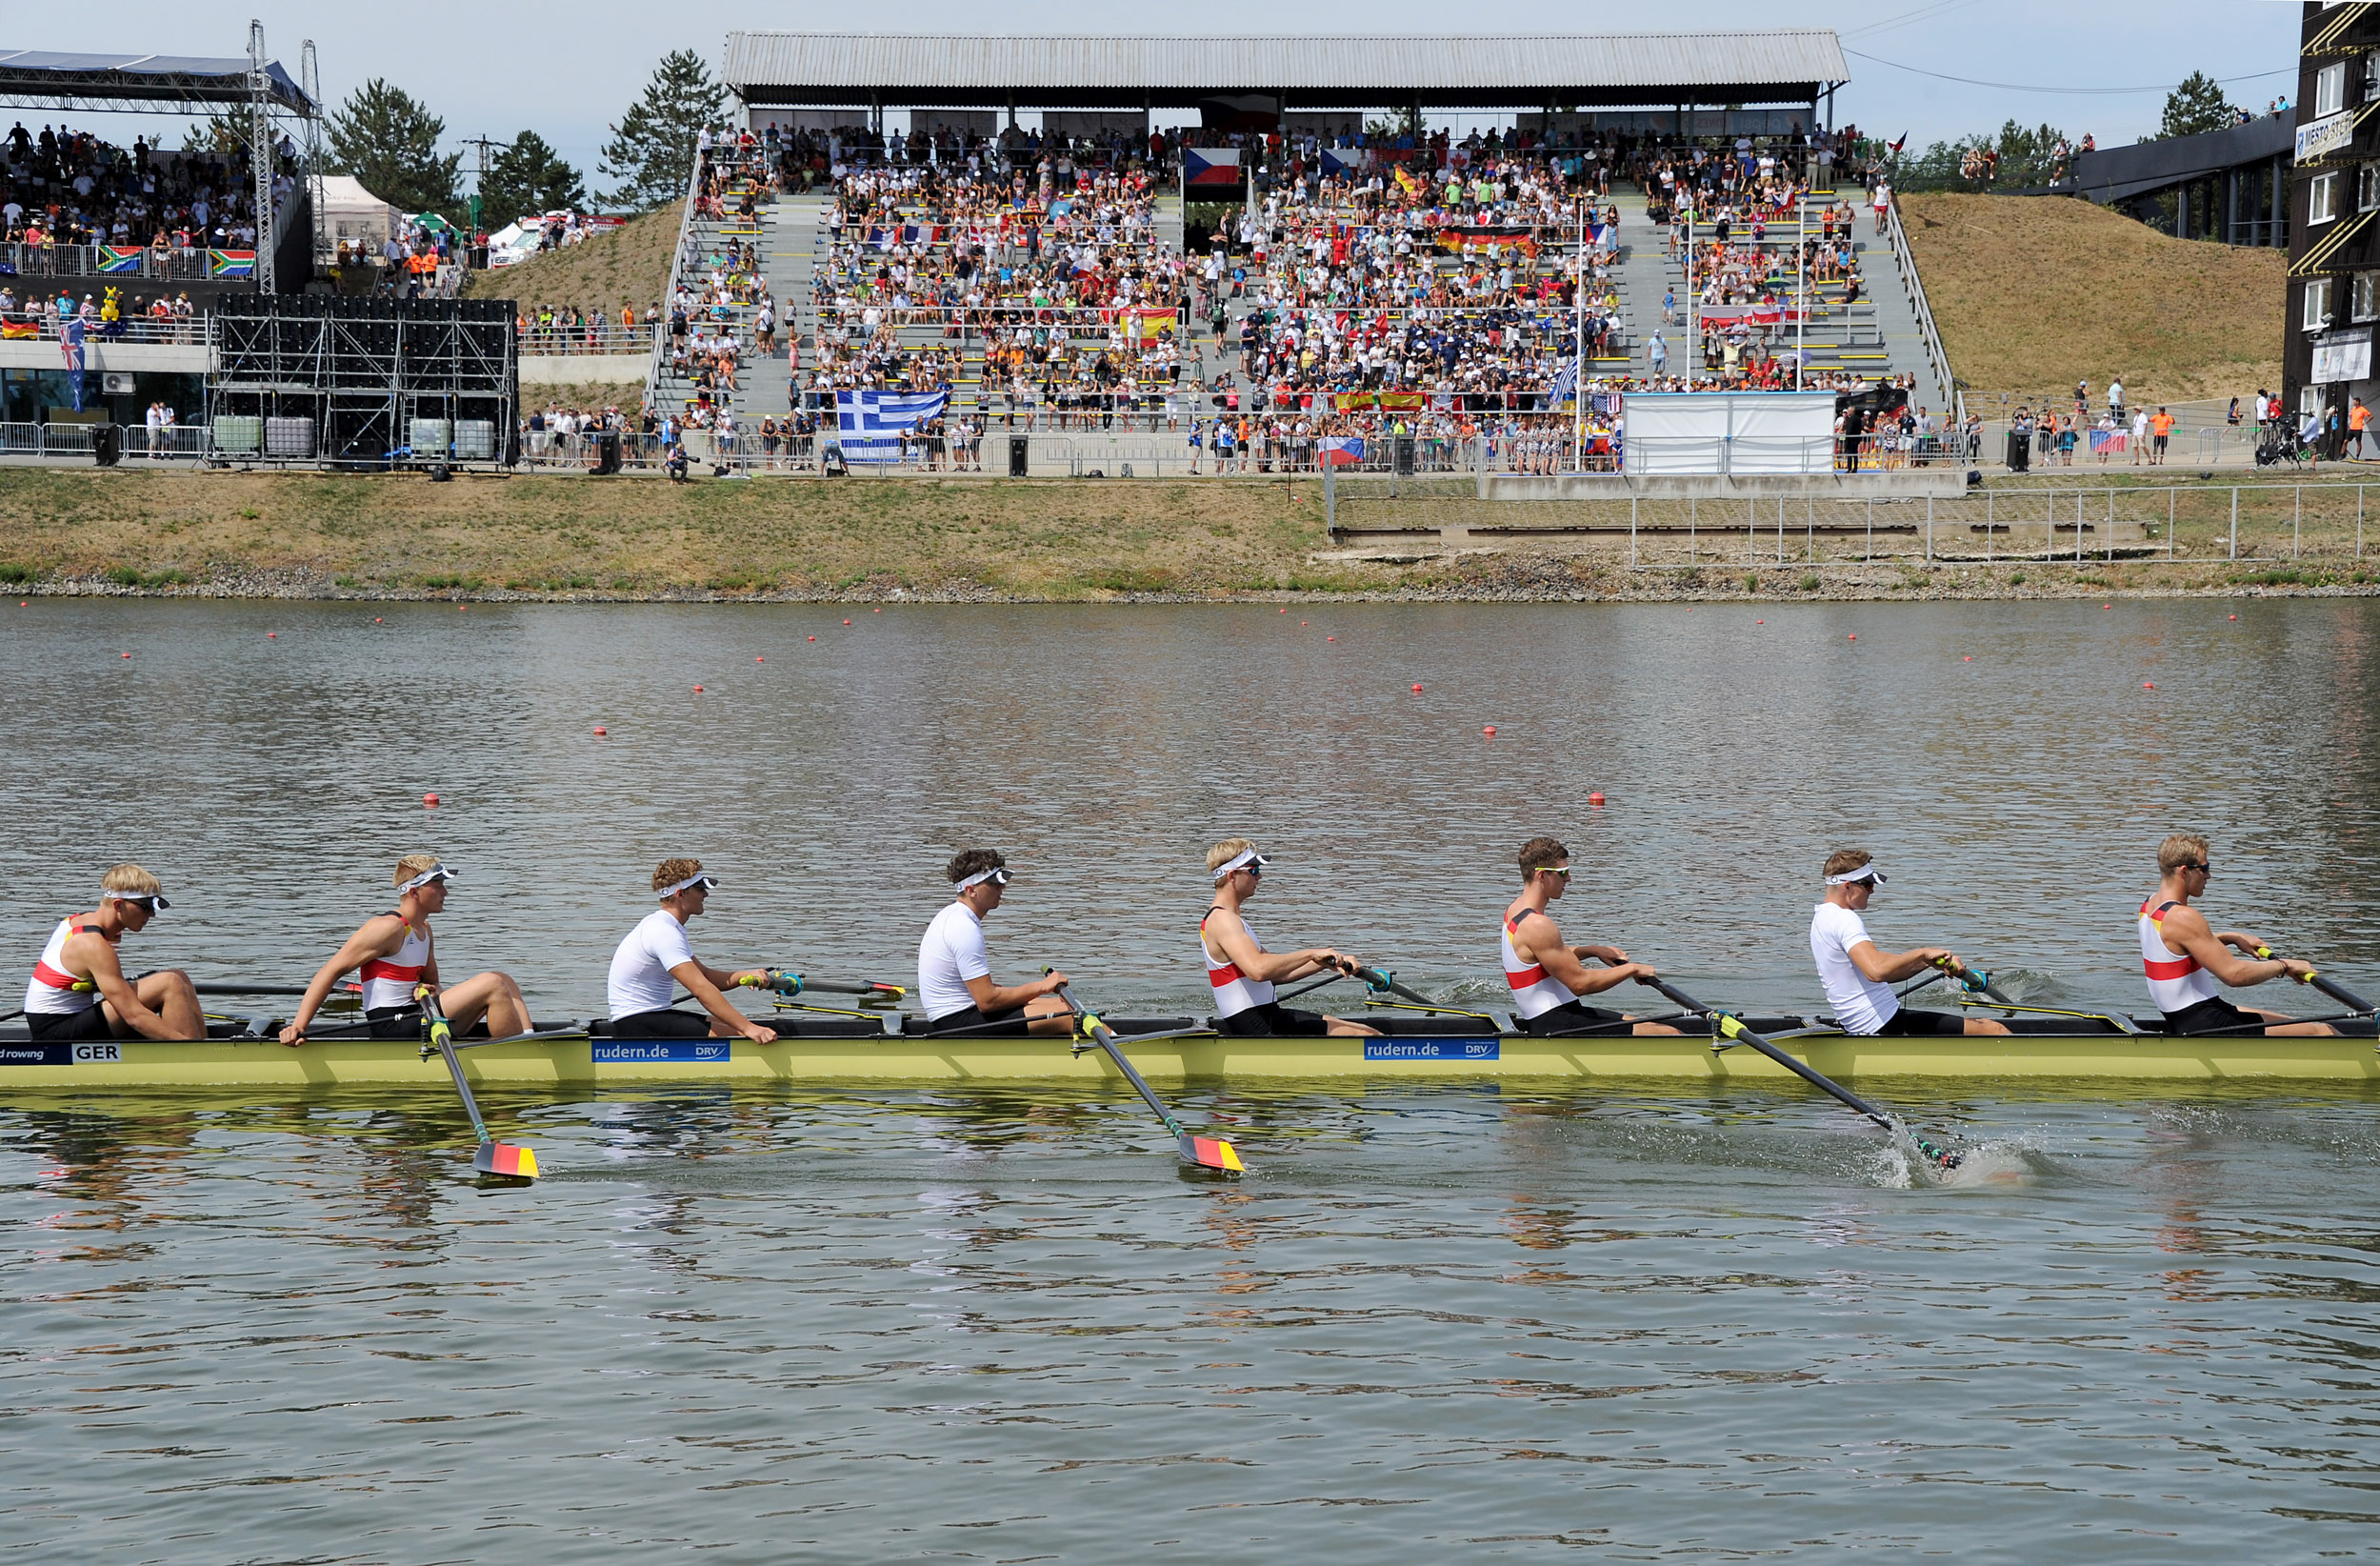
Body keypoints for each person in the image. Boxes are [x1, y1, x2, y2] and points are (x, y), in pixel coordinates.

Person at [281, 856, 534, 1043]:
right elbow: (329, 973)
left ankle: (530, 1039)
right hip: (391, 1025)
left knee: (503, 979)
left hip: (419, 1014)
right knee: (492, 984)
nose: (445, 891)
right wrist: (299, 1027)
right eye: (438, 884)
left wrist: (429, 989)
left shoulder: (424, 929)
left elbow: (435, 985)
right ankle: (513, 1056)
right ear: (414, 891)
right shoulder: (386, 928)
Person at [2137, 834, 2334, 1035]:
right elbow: (2234, 975)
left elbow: (2179, 946)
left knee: (2297, 1023)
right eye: (2204, 868)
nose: (2208, 875)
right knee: (2323, 1031)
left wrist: (2232, 937)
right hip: (2206, 1024)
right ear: (2184, 871)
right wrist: (2284, 965)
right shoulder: (2184, 917)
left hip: (2189, 1017)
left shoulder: (2150, 905)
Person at [1810, 851, 2009, 1036]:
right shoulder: (1845, 919)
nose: (1872, 891)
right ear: (1848, 886)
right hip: (1881, 1023)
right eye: (1868, 885)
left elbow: (1878, 961)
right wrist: (1922, 954)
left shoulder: (1822, 917)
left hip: (1867, 1022)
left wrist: (1928, 961)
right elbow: (1877, 971)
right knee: (1994, 1029)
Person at [1197, 840, 1379, 1036]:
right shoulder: (1223, 920)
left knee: (1368, 1031)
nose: (1259, 876)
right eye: (1253, 870)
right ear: (1232, 875)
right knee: (1369, 1038)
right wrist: (1311, 953)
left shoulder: (1231, 920)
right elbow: (1258, 970)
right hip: (1257, 1026)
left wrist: (1324, 962)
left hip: (1267, 1016)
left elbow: (1276, 975)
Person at [1500, 837, 1679, 1035]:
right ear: (1542, 876)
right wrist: (1633, 969)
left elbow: (1540, 959)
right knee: (1671, 1034)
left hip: (1561, 1013)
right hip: (1557, 1024)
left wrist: (1591, 951)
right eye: (1563, 873)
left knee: (1652, 1025)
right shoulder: (1538, 925)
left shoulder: (1515, 910)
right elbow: (1580, 984)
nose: (1569, 879)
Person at [21, 864, 202, 1041]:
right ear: (118, 905)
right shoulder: (93, 945)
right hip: (56, 1032)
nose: (152, 915)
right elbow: (134, 1017)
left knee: (179, 976)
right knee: (169, 983)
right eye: (145, 907)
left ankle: (203, 1044)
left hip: (66, 1018)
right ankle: (196, 1055)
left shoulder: (80, 920)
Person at [605, 858, 778, 1041]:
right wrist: (749, 1029)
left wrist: (745, 975)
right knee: (744, 1033)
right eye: (700, 889)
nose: (706, 895)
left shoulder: (666, 927)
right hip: (638, 1023)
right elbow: (701, 989)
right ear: (680, 894)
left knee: (737, 1027)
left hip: (653, 1016)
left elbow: (706, 976)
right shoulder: (662, 932)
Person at [917, 849, 1071, 1034]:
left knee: (1065, 1003)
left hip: (964, 1012)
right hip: (956, 1023)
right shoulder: (963, 927)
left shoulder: (954, 916)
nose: (1002, 888)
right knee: (1069, 1015)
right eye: (993, 882)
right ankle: (1113, 1050)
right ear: (970, 890)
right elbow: (987, 1001)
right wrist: (1043, 986)